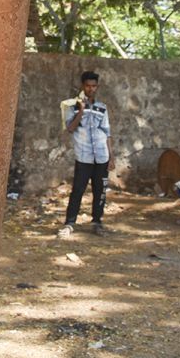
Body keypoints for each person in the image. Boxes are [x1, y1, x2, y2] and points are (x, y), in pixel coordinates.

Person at [57, 70, 115, 238]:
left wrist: (111, 156)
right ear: (83, 86)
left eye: (94, 86)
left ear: (97, 87)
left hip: (102, 156)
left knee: (100, 190)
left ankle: (97, 222)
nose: (91, 89)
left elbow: (107, 133)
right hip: (83, 157)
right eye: (88, 86)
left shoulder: (102, 108)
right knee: (78, 190)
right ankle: (69, 223)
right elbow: (70, 128)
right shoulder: (71, 106)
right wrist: (81, 111)